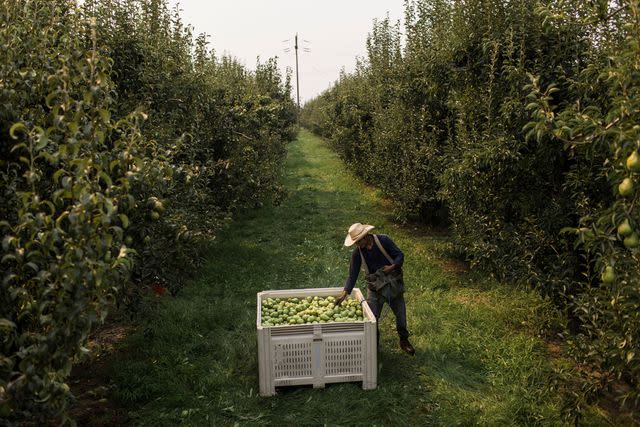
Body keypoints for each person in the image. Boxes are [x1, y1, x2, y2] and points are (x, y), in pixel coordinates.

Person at [335, 222, 416, 356]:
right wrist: (344, 294)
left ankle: (404, 340)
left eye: (359, 241)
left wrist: (392, 267)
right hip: (375, 290)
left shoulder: (383, 240)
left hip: (392, 284)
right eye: (355, 243)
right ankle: (374, 345)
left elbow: (400, 255)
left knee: (400, 314)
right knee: (372, 319)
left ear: (366, 236)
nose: (358, 245)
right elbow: (352, 275)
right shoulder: (357, 253)